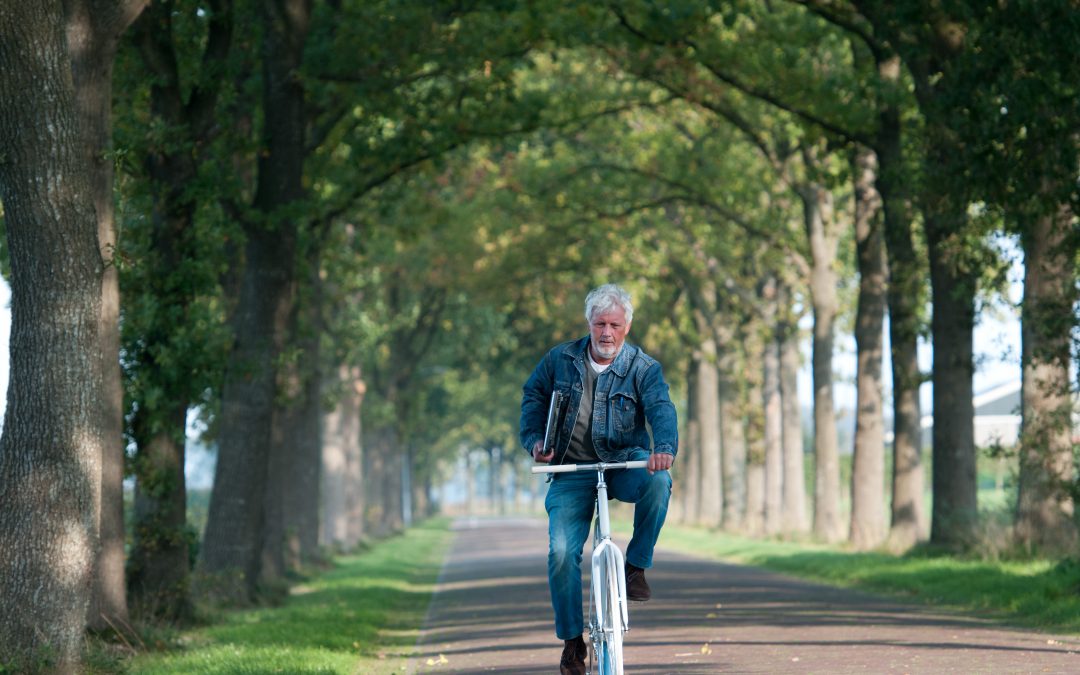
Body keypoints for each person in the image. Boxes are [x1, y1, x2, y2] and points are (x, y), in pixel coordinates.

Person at [520, 283, 678, 675]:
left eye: (615, 325)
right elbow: (533, 398)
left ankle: (635, 567)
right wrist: (535, 442)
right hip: (570, 468)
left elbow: (661, 408)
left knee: (660, 482)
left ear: (627, 327)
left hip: (625, 462)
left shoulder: (643, 368)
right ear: (589, 324)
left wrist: (665, 448)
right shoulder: (559, 360)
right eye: (600, 324)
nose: (607, 333)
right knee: (561, 553)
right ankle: (573, 643)